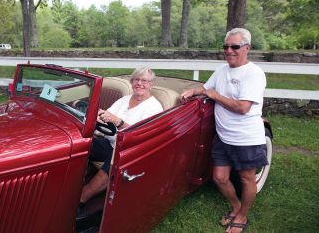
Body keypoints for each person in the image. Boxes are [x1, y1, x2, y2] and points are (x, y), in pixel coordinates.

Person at [181, 28, 267, 233]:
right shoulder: (222, 70)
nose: (229, 50)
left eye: (235, 46)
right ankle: (236, 207)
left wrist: (215, 95)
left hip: (246, 138)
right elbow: (205, 88)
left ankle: (242, 217)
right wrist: (193, 91)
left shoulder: (253, 73)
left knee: (247, 179)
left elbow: (242, 107)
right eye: (226, 46)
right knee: (219, 177)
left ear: (247, 48)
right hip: (223, 136)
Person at [79, 67, 163, 207]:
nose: (140, 83)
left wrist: (119, 122)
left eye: (145, 81)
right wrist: (100, 116)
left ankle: (83, 197)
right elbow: (109, 115)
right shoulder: (124, 99)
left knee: (114, 159)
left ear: (151, 84)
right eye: (136, 79)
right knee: (83, 145)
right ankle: (70, 184)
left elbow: (140, 134)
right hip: (110, 142)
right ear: (131, 82)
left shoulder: (154, 107)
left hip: (129, 150)